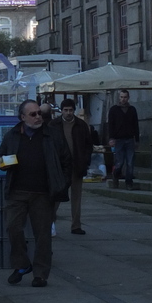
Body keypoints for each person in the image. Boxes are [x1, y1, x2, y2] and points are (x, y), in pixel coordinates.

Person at [0, 99, 72, 288]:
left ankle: (41, 274)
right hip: (17, 191)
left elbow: (66, 161)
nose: (38, 117)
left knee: (43, 235)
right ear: (23, 117)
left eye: (39, 113)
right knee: (13, 228)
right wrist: (4, 162)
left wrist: (62, 184)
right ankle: (21, 265)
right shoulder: (13, 135)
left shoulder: (52, 135)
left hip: (43, 192)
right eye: (33, 114)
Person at [53, 98, 98, 235]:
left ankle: (76, 225)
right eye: (65, 110)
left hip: (77, 165)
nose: (68, 113)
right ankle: (50, 222)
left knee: (77, 197)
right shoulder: (54, 125)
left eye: (70, 110)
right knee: (56, 196)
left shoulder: (81, 125)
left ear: (74, 110)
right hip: (60, 167)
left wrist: (86, 161)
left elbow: (88, 145)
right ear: (61, 111)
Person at [107, 89, 140, 190]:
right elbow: (110, 125)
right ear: (119, 97)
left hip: (129, 139)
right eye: (121, 97)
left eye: (125, 97)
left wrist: (137, 139)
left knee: (130, 162)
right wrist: (111, 138)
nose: (123, 99)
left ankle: (129, 183)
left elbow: (136, 125)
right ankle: (115, 176)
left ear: (128, 98)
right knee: (119, 162)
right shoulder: (114, 110)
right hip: (118, 139)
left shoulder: (132, 109)